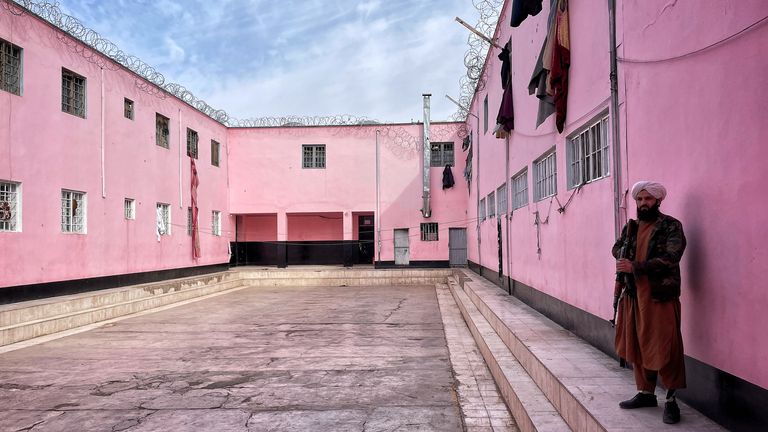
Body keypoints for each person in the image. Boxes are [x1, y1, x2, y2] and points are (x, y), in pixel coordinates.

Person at [612, 181, 687, 424]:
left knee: (666, 345)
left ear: (658, 201)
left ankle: (671, 400)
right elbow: (616, 249)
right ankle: (646, 393)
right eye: (640, 199)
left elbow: (672, 257)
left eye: (648, 199)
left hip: (660, 296)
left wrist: (636, 266)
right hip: (635, 295)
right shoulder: (631, 228)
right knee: (638, 343)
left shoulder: (670, 225)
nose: (643, 203)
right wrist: (624, 259)